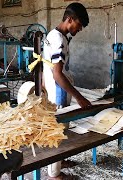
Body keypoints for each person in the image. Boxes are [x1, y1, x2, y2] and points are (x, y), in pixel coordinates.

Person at [42, 2, 91, 179]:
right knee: (59, 129)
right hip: (59, 90)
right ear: (69, 19)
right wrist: (80, 98)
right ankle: (54, 174)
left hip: (53, 87)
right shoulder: (60, 41)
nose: (80, 29)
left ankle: (60, 160)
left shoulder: (53, 34)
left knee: (62, 128)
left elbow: (43, 62)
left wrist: (42, 85)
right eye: (78, 25)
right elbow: (58, 75)